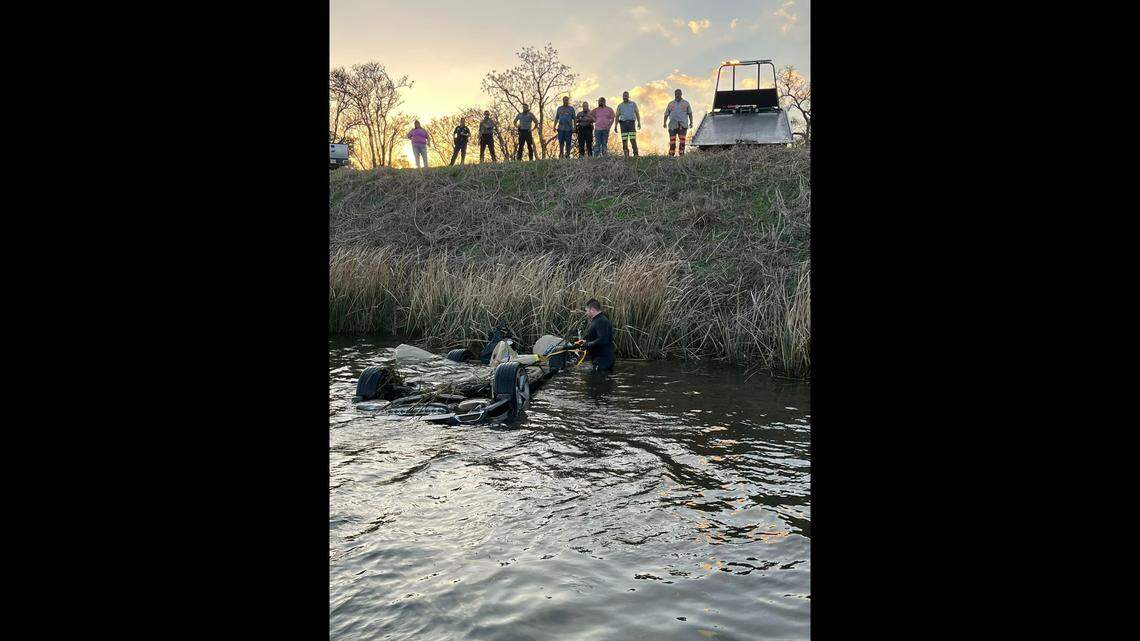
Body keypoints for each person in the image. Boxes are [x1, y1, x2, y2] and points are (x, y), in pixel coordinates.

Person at [575, 299, 615, 373]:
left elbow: (603, 339)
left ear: (592, 310)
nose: (586, 313)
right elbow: (592, 336)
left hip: (603, 359)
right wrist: (579, 343)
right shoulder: (596, 320)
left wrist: (588, 344)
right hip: (599, 359)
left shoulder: (601, 321)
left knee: (598, 382)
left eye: (586, 310)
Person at [663, 89, 693, 157]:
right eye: (676, 94)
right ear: (674, 94)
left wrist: (691, 122)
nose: (677, 95)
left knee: (682, 141)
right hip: (672, 125)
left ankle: (681, 154)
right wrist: (664, 123)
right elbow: (666, 114)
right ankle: (671, 155)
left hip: (682, 125)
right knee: (672, 141)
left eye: (678, 94)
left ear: (681, 94)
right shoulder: (670, 103)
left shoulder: (686, 103)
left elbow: (690, 114)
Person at [615, 91, 641, 157]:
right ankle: (626, 155)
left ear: (628, 96)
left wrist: (639, 123)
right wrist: (615, 126)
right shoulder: (620, 106)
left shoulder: (633, 104)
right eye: (624, 96)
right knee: (624, 140)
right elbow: (617, 116)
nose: (625, 97)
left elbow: (637, 113)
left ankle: (636, 154)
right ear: (622, 97)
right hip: (623, 124)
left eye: (626, 96)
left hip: (631, 124)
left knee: (633, 139)